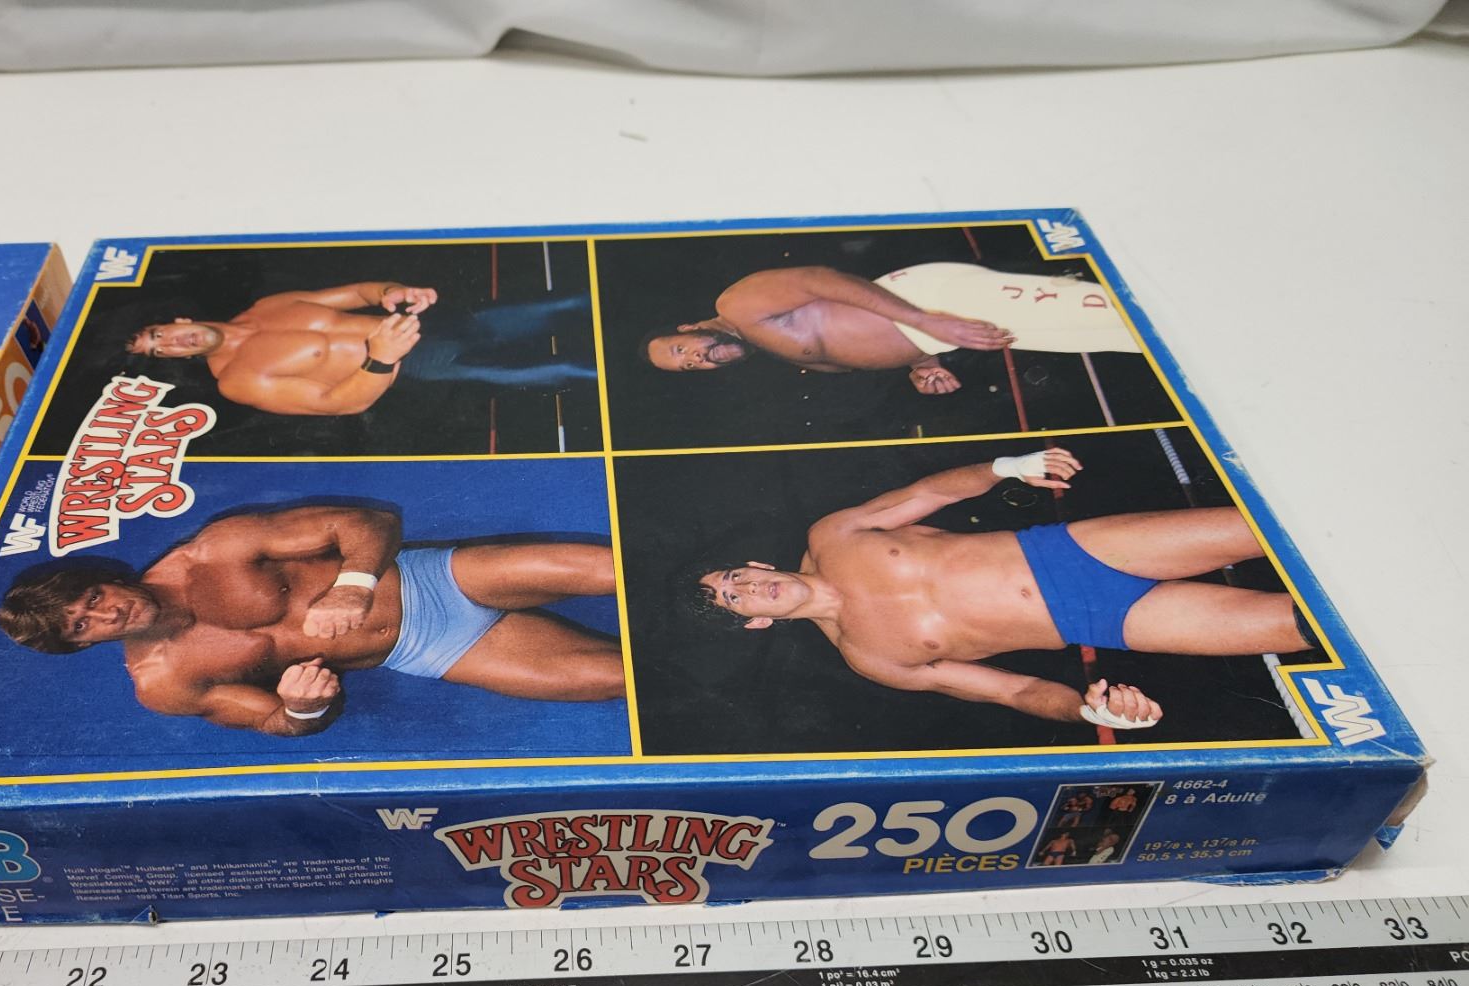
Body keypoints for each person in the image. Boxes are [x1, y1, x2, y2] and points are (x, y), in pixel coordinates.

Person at [684, 447, 1316, 731]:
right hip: (1109, 620)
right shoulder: (872, 658)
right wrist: (1086, 712)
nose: (749, 588)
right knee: (1302, 628)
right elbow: (1014, 690)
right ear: (756, 624)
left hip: (1077, 549)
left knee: (1287, 528)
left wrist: (1005, 468)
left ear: (755, 563)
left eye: (736, 576)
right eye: (735, 600)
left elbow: (928, 492)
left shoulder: (833, 535)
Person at [0, 504, 624, 736]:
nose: (108, 612)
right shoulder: (165, 683)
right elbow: (273, 721)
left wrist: (353, 585)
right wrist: (302, 707)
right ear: (80, 646)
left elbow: (366, 524)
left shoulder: (215, 552)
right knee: (622, 679)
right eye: (83, 625)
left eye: (92, 596)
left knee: (619, 571)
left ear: (102, 577)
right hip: (437, 649)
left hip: (433, 578)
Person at [641, 263, 1138, 396]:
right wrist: (923, 363)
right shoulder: (773, 351)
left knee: (1127, 311)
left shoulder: (736, 305)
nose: (697, 359)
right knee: (1122, 338)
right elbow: (867, 339)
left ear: (689, 326)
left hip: (934, 301)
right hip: (939, 329)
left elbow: (820, 279)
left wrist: (922, 319)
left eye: (683, 348)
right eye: (688, 367)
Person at [126, 281, 595, 419]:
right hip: (420, 367)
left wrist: (392, 291)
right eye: (160, 351)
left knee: (573, 302)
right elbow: (337, 403)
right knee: (576, 370)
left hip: (436, 323)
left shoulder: (266, 306)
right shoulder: (236, 380)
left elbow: (355, 294)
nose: (172, 342)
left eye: (159, 332)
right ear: (175, 360)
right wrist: (382, 357)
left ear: (177, 320)